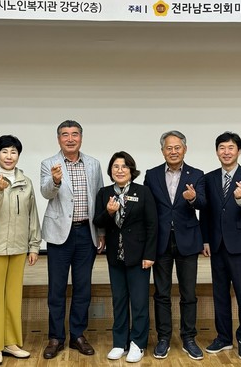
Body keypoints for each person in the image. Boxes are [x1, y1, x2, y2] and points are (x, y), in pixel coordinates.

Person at [39, 120, 104, 359]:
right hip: (59, 234)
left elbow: (99, 198)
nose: (70, 139)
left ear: (81, 138)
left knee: (83, 288)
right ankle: (56, 337)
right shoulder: (48, 163)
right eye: (65, 135)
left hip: (86, 233)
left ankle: (77, 334)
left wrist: (101, 232)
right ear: (58, 139)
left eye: (74, 134)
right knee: (56, 289)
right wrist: (55, 180)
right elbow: (46, 193)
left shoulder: (93, 164)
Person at [0, 135, 41, 365]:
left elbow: (33, 215)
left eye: (13, 152)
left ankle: (11, 342)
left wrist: (34, 245)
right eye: (4, 151)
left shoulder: (26, 181)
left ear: (18, 155)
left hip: (19, 248)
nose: (9, 156)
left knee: (13, 297)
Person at [143, 130, 206, 360]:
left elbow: (204, 203)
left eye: (177, 147)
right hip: (160, 241)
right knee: (162, 293)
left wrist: (193, 199)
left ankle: (189, 338)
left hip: (187, 241)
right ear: (162, 151)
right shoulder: (152, 175)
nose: (173, 151)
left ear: (185, 149)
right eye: (168, 148)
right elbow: (147, 208)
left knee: (188, 293)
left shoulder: (197, 174)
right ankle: (163, 338)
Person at [201, 132, 241, 361]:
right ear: (217, 152)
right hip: (217, 245)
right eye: (222, 148)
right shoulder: (208, 179)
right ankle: (223, 337)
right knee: (220, 294)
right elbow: (205, 212)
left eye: (231, 148)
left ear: (239, 151)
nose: (226, 152)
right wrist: (205, 239)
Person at [93, 151, 157, 363]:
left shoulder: (143, 192)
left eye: (124, 166)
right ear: (110, 170)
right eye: (115, 166)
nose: (120, 170)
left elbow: (152, 225)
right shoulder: (104, 193)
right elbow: (98, 221)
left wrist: (149, 254)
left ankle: (138, 343)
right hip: (115, 256)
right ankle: (119, 343)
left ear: (131, 170)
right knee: (119, 301)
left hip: (139, 256)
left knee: (139, 302)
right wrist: (109, 212)